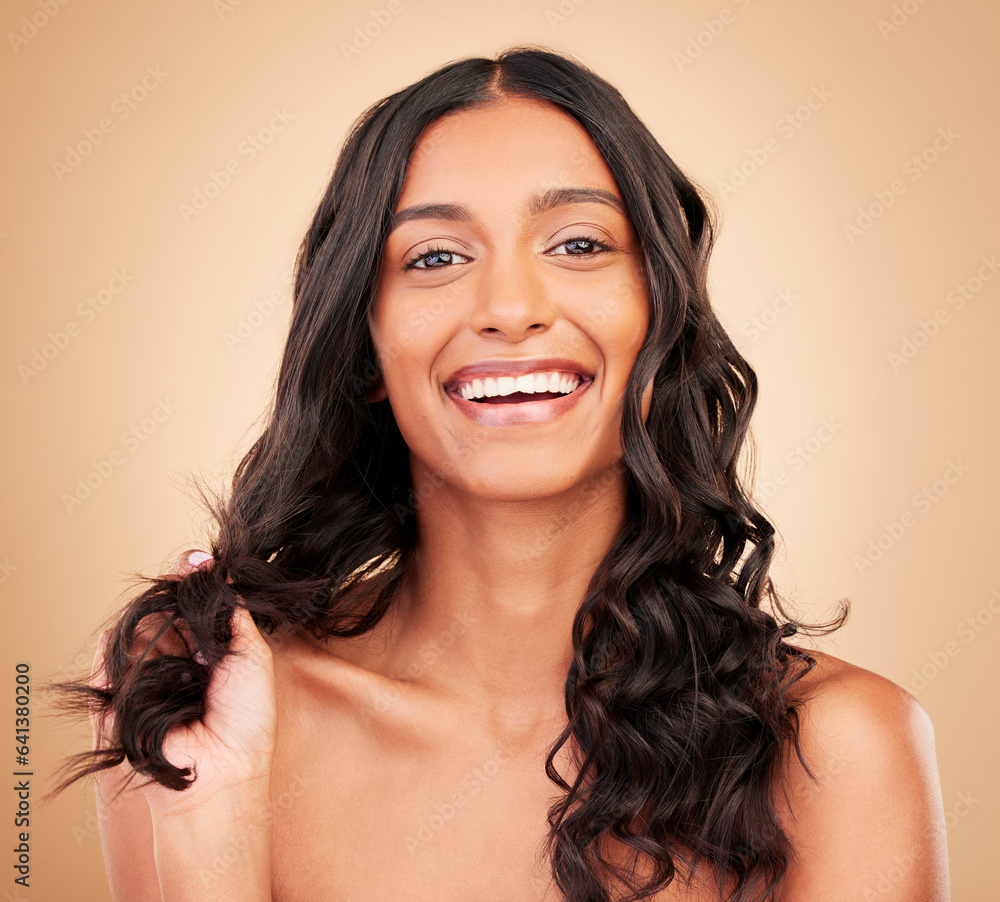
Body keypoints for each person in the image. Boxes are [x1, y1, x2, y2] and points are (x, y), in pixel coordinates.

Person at [60, 47, 949, 901]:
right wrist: (208, 834)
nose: (511, 309)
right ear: (366, 346)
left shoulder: (839, 749)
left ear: (661, 315)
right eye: (436, 258)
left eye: (577, 244)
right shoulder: (203, 696)